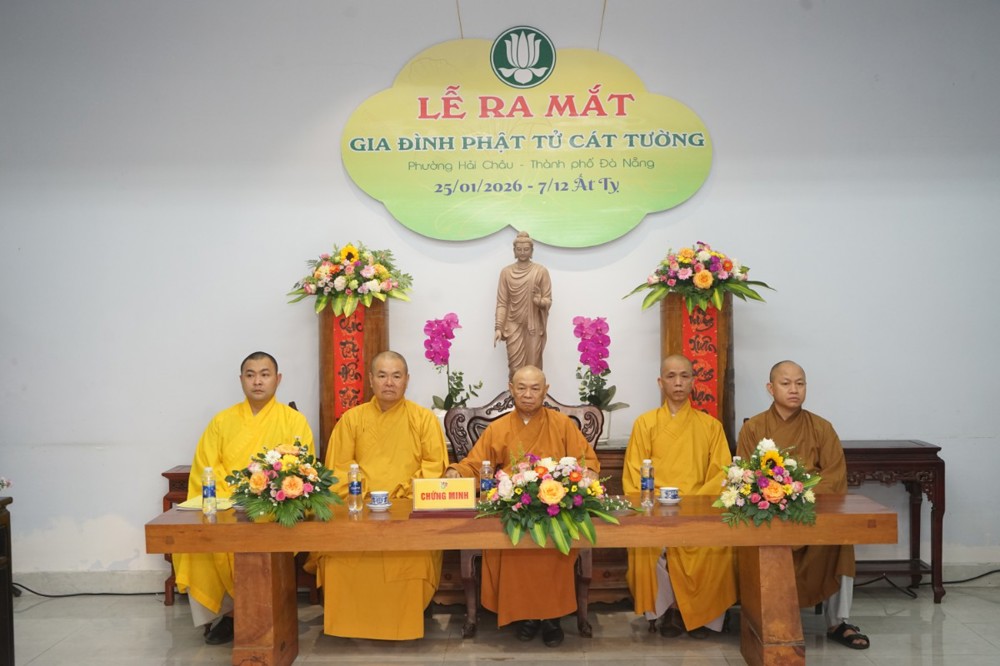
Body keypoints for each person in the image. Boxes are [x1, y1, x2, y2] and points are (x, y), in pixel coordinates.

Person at [444, 365, 599, 648]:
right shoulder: (498, 428)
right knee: (510, 543)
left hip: (555, 508)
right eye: (522, 388)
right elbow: (476, 465)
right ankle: (524, 616)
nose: (528, 394)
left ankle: (552, 619)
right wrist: (457, 471)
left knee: (555, 543)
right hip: (512, 507)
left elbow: (584, 461)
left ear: (545, 391)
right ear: (511, 389)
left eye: (535, 388)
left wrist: (587, 474)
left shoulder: (562, 425)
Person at [173, 351, 315, 645]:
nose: (257, 381)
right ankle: (229, 614)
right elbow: (205, 470)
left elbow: (303, 470)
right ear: (241, 380)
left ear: (278, 379)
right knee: (202, 542)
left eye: (265, 374)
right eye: (250, 375)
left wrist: (266, 497)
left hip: (272, 509)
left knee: (263, 536)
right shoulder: (222, 421)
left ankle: (254, 613)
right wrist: (231, 500)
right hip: (227, 507)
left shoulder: (294, 421)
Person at [306, 351, 448, 640]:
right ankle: (349, 623)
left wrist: (401, 494)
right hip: (359, 511)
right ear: (370, 380)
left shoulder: (423, 419)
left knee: (413, 555)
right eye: (382, 375)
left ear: (407, 380)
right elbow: (338, 470)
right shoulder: (351, 420)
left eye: (396, 376)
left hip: (408, 513)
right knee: (339, 555)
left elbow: (435, 468)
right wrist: (369, 495)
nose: (389, 382)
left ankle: (404, 620)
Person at [737, 360, 870, 650]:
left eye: (800, 383)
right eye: (785, 383)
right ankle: (761, 615)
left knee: (841, 540)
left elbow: (835, 478)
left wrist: (796, 492)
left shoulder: (822, 428)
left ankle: (839, 622)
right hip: (769, 514)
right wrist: (775, 496)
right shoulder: (753, 428)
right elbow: (746, 476)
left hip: (813, 513)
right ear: (770, 388)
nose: (794, 389)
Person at [623, 355, 737, 639]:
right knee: (647, 546)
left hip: (700, 508)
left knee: (714, 546)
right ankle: (670, 610)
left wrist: (694, 505)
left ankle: (705, 616)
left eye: (684, 376)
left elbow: (721, 474)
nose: (678, 382)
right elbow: (635, 473)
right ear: (660, 382)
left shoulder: (710, 426)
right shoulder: (645, 423)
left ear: (693, 382)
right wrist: (656, 505)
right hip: (656, 510)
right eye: (671, 376)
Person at [494, 231, 552, 379]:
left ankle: (533, 395)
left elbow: (548, 300)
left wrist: (539, 301)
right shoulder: (506, 272)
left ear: (532, 251)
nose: (522, 252)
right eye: (519, 249)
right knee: (515, 368)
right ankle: (514, 394)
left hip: (533, 326)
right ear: (514, 250)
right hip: (513, 324)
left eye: (526, 249)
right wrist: (498, 327)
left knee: (533, 369)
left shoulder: (540, 271)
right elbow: (502, 302)